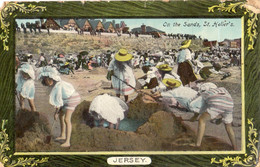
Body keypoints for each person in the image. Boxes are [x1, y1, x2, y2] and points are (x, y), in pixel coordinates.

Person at [154, 80, 237, 150]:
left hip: (217, 104)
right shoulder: (222, 89)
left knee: (202, 120)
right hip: (230, 104)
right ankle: (235, 146)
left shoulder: (204, 93)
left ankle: (197, 144)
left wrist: (195, 116)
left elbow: (197, 105)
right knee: (228, 127)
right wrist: (194, 117)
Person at [37, 66, 81, 147]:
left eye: (47, 80)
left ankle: (67, 142)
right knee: (61, 116)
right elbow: (60, 101)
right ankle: (63, 135)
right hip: (65, 99)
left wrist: (56, 112)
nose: (46, 82)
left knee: (67, 119)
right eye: (45, 81)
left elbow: (58, 102)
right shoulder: (55, 85)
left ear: (51, 79)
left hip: (72, 99)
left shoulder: (58, 86)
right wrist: (57, 112)